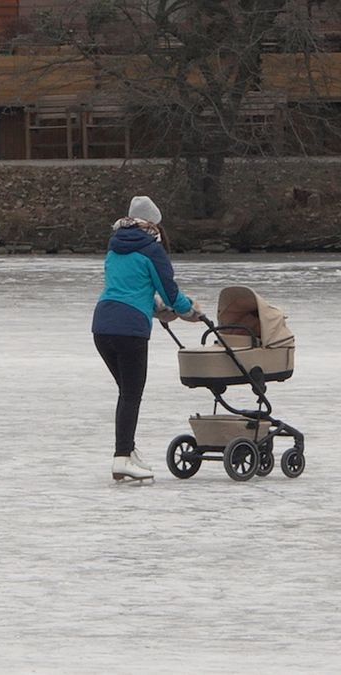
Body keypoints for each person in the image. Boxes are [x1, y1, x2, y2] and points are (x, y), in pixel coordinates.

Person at [92, 195, 200, 482]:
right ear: (153, 223)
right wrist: (190, 312)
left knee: (126, 394)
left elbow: (126, 288)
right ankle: (122, 458)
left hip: (102, 327)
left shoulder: (114, 246)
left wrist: (153, 308)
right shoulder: (151, 250)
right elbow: (171, 294)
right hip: (129, 331)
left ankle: (127, 451)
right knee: (130, 394)